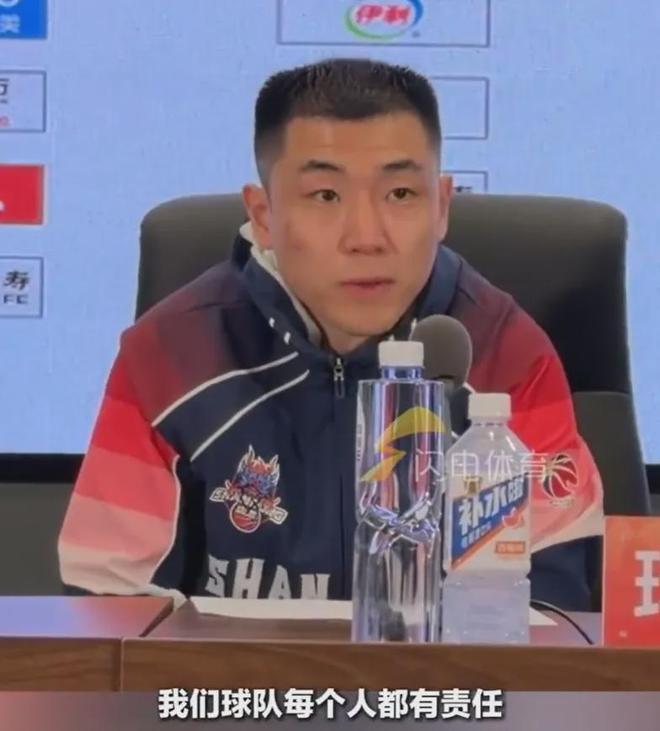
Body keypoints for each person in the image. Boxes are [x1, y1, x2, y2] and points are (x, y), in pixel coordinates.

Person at [58, 58, 603, 609]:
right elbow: (106, 602)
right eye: (325, 196)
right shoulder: (168, 355)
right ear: (264, 215)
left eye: (400, 194)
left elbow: (555, 607)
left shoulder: (507, 353)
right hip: (234, 670)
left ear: (441, 206)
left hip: (446, 669)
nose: (366, 237)